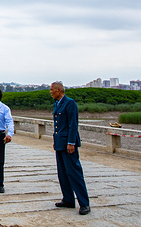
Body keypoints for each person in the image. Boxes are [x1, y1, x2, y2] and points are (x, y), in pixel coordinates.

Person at [50, 81, 90, 215]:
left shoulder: (70, 103)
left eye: (52, 90)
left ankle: (84, 203)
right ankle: (68, 199)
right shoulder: (57, 104)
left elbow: (73, 124)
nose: (50, 92)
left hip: (68, 144)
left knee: (74, 173)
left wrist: (71, 142)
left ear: (58, 90)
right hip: (60, 143)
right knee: (62, 173)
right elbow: (57, 125)